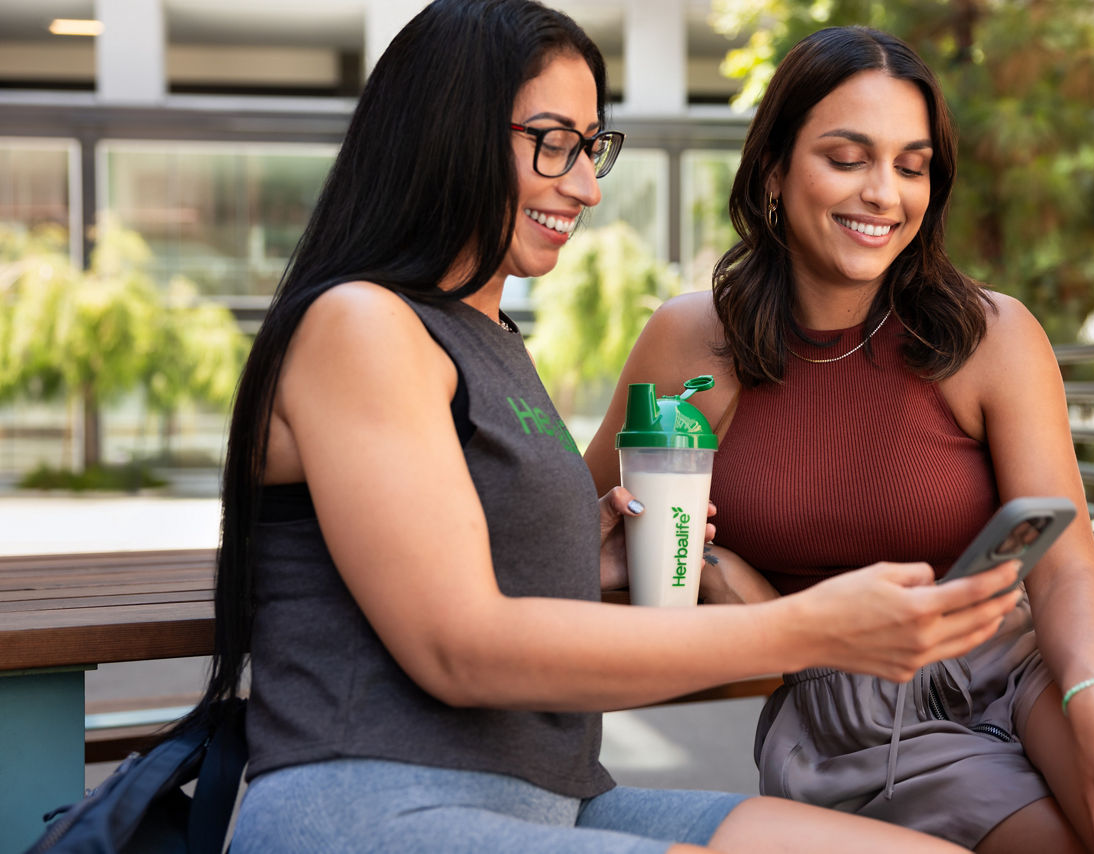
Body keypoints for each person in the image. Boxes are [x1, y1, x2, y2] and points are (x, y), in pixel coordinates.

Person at [179, 3, 1023, 852]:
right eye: (552, 142)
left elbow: (455, 561)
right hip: (377, 806)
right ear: (446, 131)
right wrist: (808, 628)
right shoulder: (360, 325)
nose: (583, 185)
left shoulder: (490, 338)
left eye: (590, 147)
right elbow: (457, 646)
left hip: (551, 799)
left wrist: (583, 559)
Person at [584, 24, 1094, 854]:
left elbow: (1066, 559)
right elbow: (580, 527)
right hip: (864, 714)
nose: (884, 194)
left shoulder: (991, 333)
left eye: (911, 165)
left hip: (1034, 656)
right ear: (773, 167)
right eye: (847, 157)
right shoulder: (696, 341)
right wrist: (714, 570)